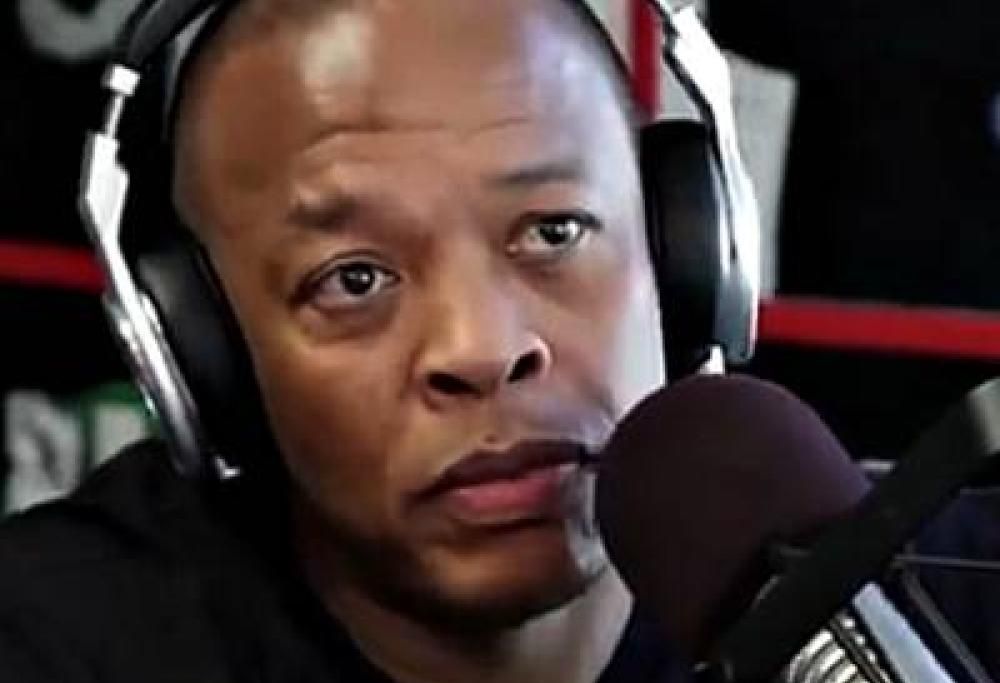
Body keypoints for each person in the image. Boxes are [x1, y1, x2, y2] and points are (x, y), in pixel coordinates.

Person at [0, 0, 685, 681]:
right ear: (203, 354)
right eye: (355, 279)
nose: (482, 350)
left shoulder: (754, 577)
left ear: (682, 252)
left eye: (554, 232)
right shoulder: (49, 642)